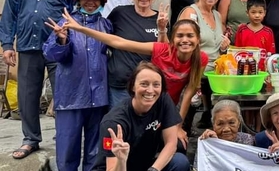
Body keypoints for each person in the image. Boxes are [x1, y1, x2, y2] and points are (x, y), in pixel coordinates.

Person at [60, 12, 207, 147]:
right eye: (180, 36)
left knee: (177, 145)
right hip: (143, 105)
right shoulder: (161, 50)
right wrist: (80, 29)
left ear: (198, 39)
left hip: (166, 110)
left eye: (190, 36)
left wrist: (178, 126)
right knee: (133, 142)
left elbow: (189, 92)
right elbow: (119, 42)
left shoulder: (201, 59)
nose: (185, 40)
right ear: (173, 39)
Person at [0, 0, 80, 160]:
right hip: (27, 45)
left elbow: (75, 15)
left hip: (58, 48)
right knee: (27, 95)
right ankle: (30, 139)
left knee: (63, 95)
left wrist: (66, 36)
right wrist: (7, 44)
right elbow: (9, 14)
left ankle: (63, 138)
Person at [43, 0, 112, 171]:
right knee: (67, 137)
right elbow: (51, 55)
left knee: (94, 139)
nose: (90, 2)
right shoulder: (65, 23)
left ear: (101, 2)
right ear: (78, 1)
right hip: (71, 92)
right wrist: (61, 39)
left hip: (98, 92)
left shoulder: (106, 25)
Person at [179, 0, 230, 133]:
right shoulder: (190, 12)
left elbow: (216, 47)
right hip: (195, 75)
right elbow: (181, 45)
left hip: (215, 77)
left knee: (214, 122)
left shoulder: (217, 15)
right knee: (184, 123)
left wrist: (224, 46)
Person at [107, 0, 166, 108]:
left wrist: (162, 29)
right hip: (120, 83)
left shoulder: (159, 18)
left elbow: (165, 50)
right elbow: (106, 38)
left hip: (147, 85)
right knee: (119, 122)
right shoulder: (120, 13)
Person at [234, 0, 276, 71]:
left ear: (264, 13)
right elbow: (237, 52)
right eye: (253, 12)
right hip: (245, 70)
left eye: (260, 12)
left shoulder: (268, 31)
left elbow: (271, 54)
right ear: (247, 13)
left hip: (263, 71)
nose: (257, 15)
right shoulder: (241, 30)